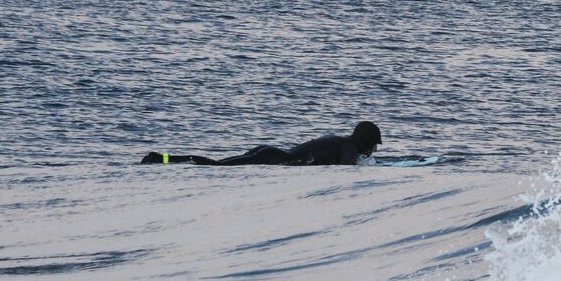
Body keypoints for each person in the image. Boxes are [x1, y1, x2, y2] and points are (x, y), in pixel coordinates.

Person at [140, 121, 382, 166]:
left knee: (219, 165)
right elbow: (346, 169)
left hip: (272, 153)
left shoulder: (338, 140)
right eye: (374, 144)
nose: (374, 150)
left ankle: (163, 159)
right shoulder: (348, 148)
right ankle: (161, 158)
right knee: (215, 166)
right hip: (274, 159)